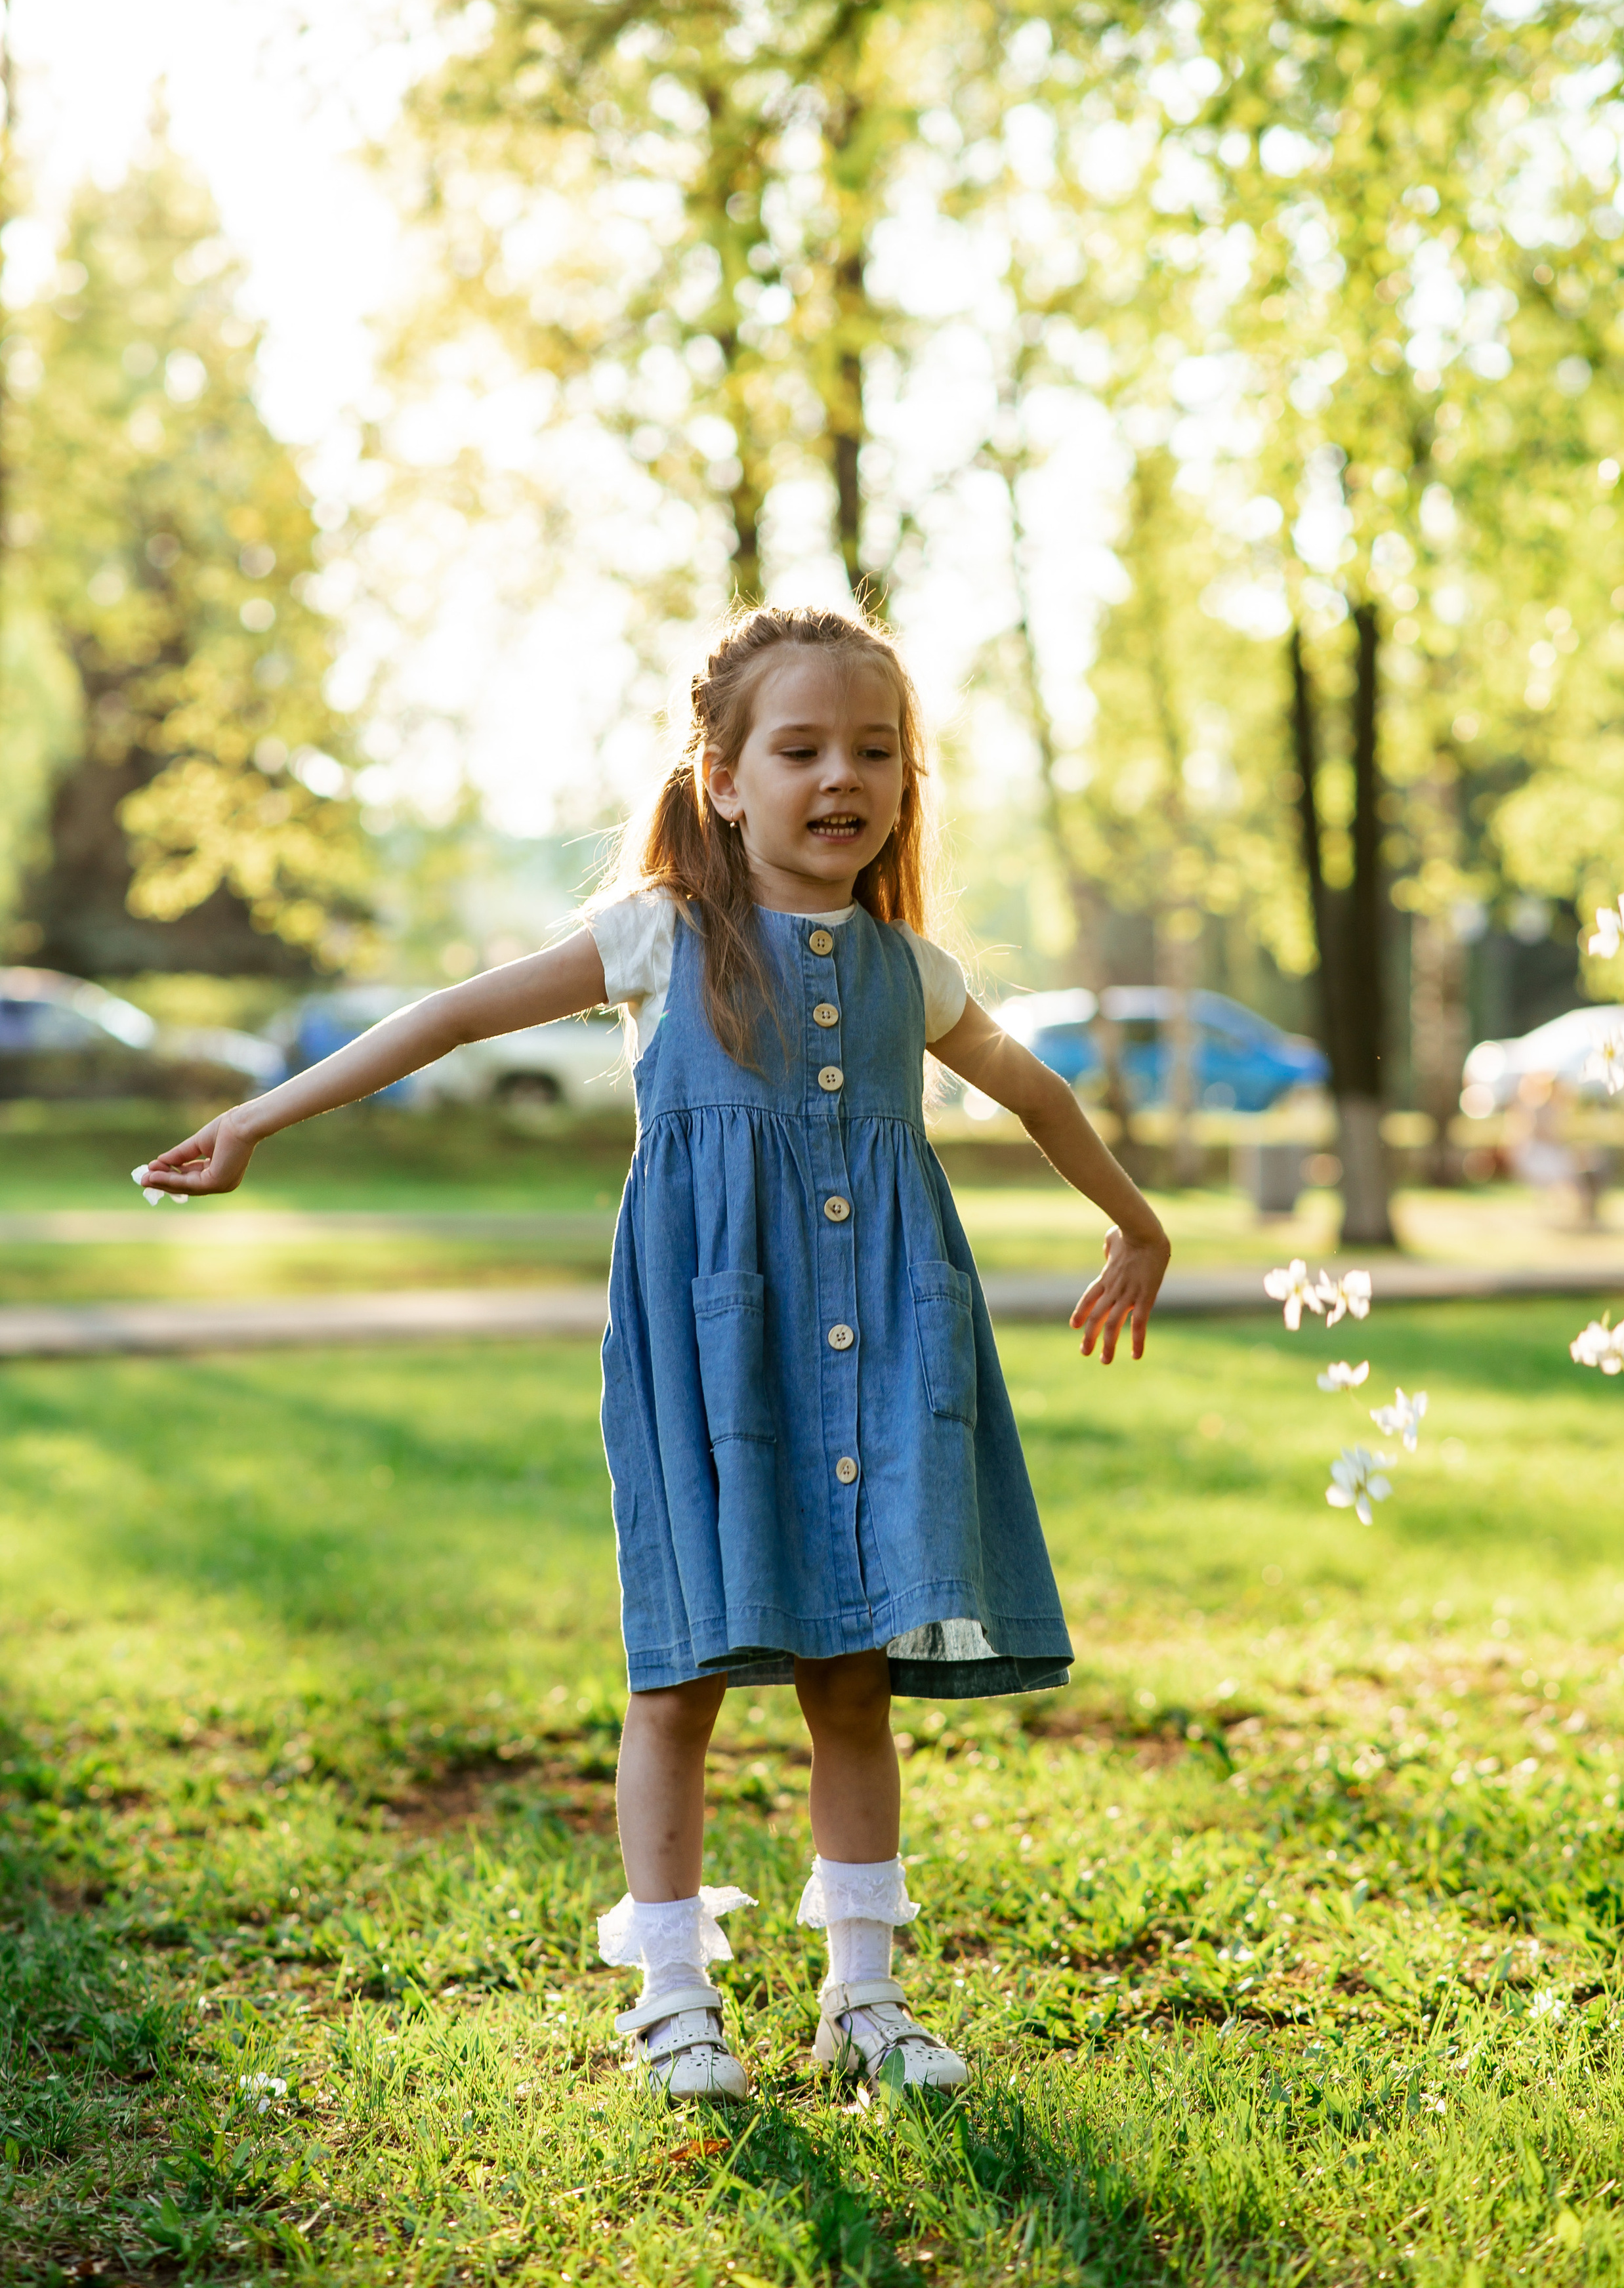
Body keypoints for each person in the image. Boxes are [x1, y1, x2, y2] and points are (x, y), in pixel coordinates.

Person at [135, 604, 1171, 2104]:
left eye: (873, 751)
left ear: (905, 783)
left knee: (852, 1682)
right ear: (723, 775)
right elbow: (442, 1019)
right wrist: (256, 1119)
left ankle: (863, 1997)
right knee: (679, 1674)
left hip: (881, 1356)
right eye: (801, 746)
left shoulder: (909, 971)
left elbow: (1035, 1093)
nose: (842, 777)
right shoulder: (659, 939)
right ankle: (674, 1995)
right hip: (711, 1359)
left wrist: (1131, 1225)